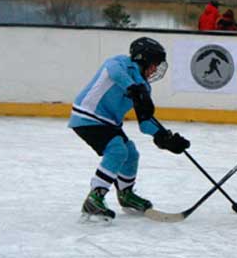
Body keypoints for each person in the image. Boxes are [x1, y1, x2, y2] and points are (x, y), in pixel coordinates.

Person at [69, 37, 191, 221]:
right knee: (117, 150)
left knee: (131, 153)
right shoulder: (120, 63)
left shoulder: (144, 87)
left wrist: (162, 136)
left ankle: (125, 194)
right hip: (87, 115)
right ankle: (95, 197)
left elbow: (145, 121)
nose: (156, 70)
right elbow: (114, 71)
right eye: (154, 65)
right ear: (142, 61)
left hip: (108, 122)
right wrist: (133, 88)